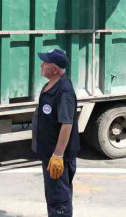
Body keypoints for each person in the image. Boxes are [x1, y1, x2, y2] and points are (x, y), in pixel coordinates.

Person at [32, 48, 79, 217]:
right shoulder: (51, 85)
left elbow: (67, 123)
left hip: (57, 159)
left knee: (59, 201)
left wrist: (58, 155)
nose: (42, 64)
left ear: (55, 69)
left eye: (46, 62)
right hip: (49, 155)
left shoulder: (64, 91)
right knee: (54, 197)